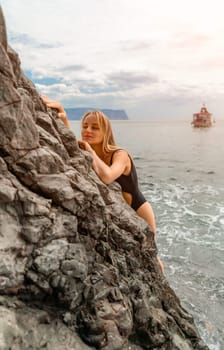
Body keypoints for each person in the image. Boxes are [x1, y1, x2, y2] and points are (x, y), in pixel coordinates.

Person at [40, 95, 164, 272]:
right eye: (84, 126)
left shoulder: (121, 154)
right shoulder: (87, 148)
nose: (87, 130)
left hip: (139, 210)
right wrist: (64, 116)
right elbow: (69, 143)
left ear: (106, 132)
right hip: (120, 213)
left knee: (152, 257)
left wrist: (89, 151)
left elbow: (107, 176)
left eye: (95, 128)